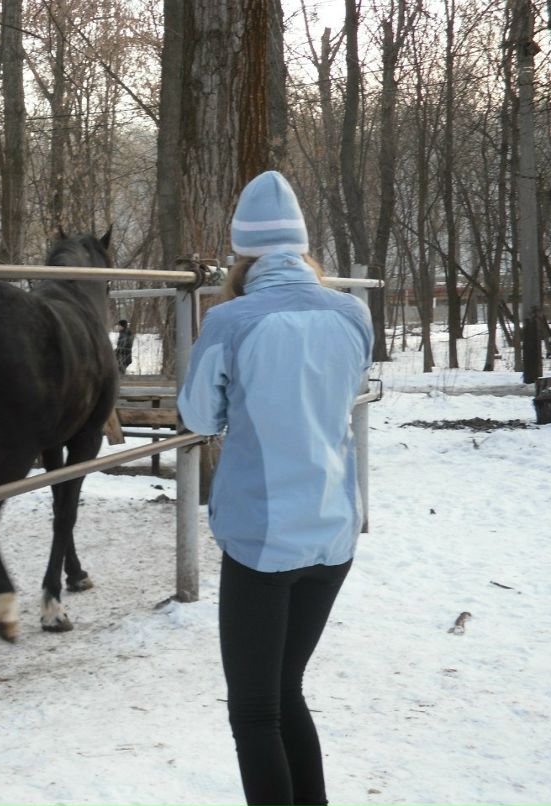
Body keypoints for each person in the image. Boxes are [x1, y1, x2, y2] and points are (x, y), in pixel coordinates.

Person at [177, 171, 374, 806]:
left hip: (264, 542)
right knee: (286, 691)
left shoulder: (230, 320)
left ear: (243, 251)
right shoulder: (351, 312)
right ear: (301, 246)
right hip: (333, 534)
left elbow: (198, 417)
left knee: (254, 713)